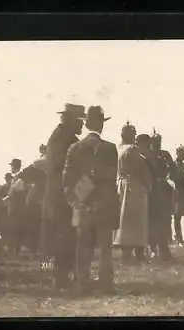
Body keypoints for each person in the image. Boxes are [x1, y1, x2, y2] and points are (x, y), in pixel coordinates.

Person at [63, 105, 119, 294]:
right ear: (101, 124)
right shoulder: (110, 148)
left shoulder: (74, 148)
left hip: (82, 204)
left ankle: (82, 282)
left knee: (83, 245)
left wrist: (78, 201)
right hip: (103, 205)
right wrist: (101, 201)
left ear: (86, 124)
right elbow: (111, 179)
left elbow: (67, 179)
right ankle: (106, 283)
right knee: (105, 247)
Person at [41, 103, 85, 290]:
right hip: (63, 194)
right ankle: (60, 277)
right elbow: (66, 170)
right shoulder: (65, 140)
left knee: (64, 236)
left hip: (60, 193)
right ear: (71, 120)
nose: (82, 125)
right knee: (64, 236)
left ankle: (62, 275)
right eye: (79, 121)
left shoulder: (60, 136)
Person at [113, 123, 153, 264]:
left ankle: (128, 255)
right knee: (137, 222)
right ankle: (137, 255)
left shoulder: (118, 149)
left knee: (125, 221)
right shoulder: (132, 150)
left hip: (122, 185)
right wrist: (148, 186)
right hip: (134, 186)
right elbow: (141, 170)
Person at [148, 129, 175, 261]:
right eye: (155, 141)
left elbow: (172, 169)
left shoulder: (165, 154)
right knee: (153, 220)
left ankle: (164, 249)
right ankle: (153, 248)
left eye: (159, 141)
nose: (157, 143)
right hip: (152, 191)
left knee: (165, 220)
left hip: (164, 191)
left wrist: (168, 178)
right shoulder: (148, 155)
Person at [3, 158, 27, 255]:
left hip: (16, 207)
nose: (11, 168)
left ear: (15, 166)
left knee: (15, 227)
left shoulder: (19, 179)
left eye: (12, 166)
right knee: (12, 227)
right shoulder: (15, 178)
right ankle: (13, 248)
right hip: (13, 206)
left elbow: (17, 194)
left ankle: (15, 248)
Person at [170, 145, 184, 245]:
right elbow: (170, 177)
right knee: (176, 216)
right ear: (177, 153)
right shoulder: (172, 165)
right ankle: (178, 237)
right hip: (176, 192)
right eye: (183, 153)